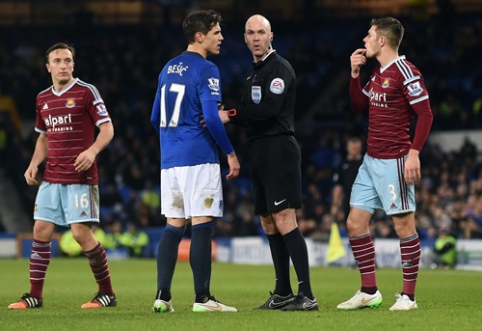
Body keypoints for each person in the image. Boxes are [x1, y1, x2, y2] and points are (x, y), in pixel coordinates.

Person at [219, 14, 318, 311]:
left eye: (261, 32)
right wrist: (231, 113)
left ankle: (307, 295)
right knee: (268, 221)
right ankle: (283, 291)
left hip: (279, 149)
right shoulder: (252, 72)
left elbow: (269, 110)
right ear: (245, 38)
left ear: (271, 35)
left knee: (286, 219)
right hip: (259, 150)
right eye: (251, 33)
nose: (257, 37)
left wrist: (231, 115)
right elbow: (251, 111)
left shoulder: (279, 68)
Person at [8, 42, 116, 310]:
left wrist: (91, 152)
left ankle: (106, 293)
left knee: (81, 235)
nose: (63, 65)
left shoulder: (86, 92)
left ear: (73, 65)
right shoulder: (42, 98)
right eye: (57, 61)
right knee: (40, 231)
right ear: (48, 67)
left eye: (68, 60)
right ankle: (34, 295)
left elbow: (108, 129)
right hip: (52, 176)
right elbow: (44, 137)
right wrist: (34, 165)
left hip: (80, 177)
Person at [336, 17, 433, 311]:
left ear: (382, 40)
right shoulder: (378, 73)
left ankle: (409, 297)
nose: (364, 39)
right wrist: (354, 74)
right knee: (354, 223)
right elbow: (358, 105)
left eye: (369, 35)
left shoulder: (406, 71)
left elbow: (426, 114)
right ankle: (369, 291)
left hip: (395, 160)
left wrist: (414, 153)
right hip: (370, 160)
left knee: (403, 225)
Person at [150, 10, 240, 313]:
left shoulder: (167, 68)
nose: (221, 37)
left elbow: (154, 117)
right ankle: (203, 299)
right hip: (199, 157)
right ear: (200, 36)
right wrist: (229, 152)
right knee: (202, 223)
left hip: (170, 160)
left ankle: (162, 297)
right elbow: (212, 118)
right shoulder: (206, 68)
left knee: (173, 224)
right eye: (216, 32)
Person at [332, 137, 364, 219]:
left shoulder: (366, 164)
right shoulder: (342, 165)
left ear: (360, 148)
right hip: (348, 201)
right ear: (347, 148)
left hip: (364, 200)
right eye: (352, 148)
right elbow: (338, 186)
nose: (354, 150)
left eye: (356, 148)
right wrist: (335, 205)